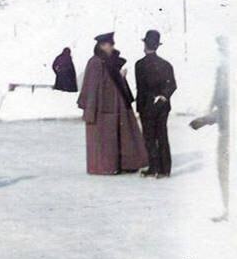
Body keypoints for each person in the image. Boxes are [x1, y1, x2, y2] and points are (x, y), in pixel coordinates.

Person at [76, 33, 148, 175]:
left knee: (121, 137)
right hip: (103, 109)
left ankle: (124, 164)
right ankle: (105, 167)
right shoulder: (96, 62)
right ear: (102, 45)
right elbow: (92, 87)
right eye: (111, 44)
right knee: (105, 140)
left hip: (116, 106)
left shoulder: (108, 61)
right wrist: (90, 110)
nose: (113, 47)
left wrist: (121, 77)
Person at [190, 35, 230, 221]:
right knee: (224, 168)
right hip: (225, 128)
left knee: (226, 167)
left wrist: (206, 119)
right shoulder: (223, 70)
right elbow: (221, 100)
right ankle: (228, 208)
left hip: (229, 130)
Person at [135, 30, 177, 177]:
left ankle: (154, 168)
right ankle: (165, 170)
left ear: (145, 45)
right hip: (162, 106)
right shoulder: (166, 64)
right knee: (162, 135)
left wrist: (139, 107)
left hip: (146, 106)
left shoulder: (139, 65)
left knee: (149, 137)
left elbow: (141, 88)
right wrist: (163, 96)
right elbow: (172, 85)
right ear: (157, 45)